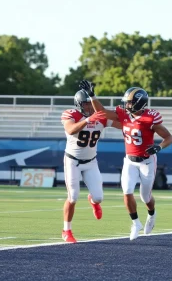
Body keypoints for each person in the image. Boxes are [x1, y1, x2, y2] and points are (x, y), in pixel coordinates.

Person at [80, 80, 172, 240]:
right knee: (127, 191)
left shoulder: (150, 118)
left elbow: (168, 137)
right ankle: (135, 222)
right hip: (130, 161)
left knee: (146, 197)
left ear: (138, 102)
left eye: (129, 102)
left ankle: (151, 214)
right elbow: (101, 112)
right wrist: (92, 95)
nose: (126, 105)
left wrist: (158, 147)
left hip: (147, 162)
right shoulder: (124, 115)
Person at [61, 89, 121, 243]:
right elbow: (70, 129)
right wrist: (88, 120)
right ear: (78, 105)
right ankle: (66, 230)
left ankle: (93, 202)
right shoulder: (71, 115)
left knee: (99, 197)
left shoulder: (100, 117)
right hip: (72, 161)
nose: (89, 107)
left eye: (90, 104)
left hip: (91, 162)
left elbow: (120, 125)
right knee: (73, 196)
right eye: (85, 104)